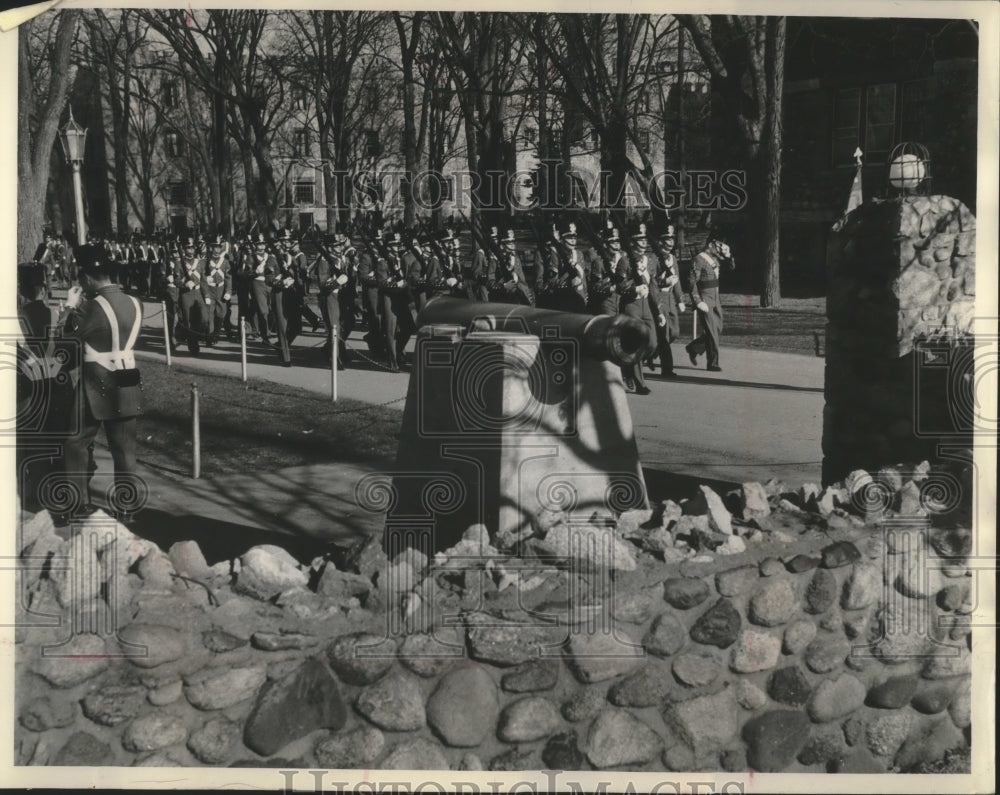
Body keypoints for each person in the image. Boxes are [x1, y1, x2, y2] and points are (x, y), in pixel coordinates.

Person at [56, 244, 143, 523]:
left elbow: (64, 343)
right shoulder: (135, 302)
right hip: (128, 376)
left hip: (98, 380)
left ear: (87, 277)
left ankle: (77, 504)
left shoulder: (93, 307)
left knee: (75, 442)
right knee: (124, 447)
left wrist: (68, 308)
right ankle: (127, 507)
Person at [615, 223, 664, 395]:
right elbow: (619, 286)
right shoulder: (625, 260)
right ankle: (640, 383)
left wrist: (658, 311)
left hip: (647, 306)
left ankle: (627, 367)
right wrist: (633, 288)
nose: (643, 242)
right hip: (631, 305)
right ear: (633, 241)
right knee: (637, 343)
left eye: (645, 239)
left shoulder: (650, 260)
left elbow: (654, 286)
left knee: (652, 343)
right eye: (639, 239)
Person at [686, 236, 734, 372]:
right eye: (719, 245)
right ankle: (713, 363)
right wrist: (697, 301)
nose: (720, 249)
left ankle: (694, 347)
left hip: (716, 297)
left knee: (718, 328)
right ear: (711, 244)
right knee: (712, 332)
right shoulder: (699, 259)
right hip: (705, 297)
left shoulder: (716, 258)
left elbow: (731, 269)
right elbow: (691, 282)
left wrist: (728, 255)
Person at [651, 223, 686, 378]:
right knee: (664, 335)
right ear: (660, 241)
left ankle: (652, 354)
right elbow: (650, 282)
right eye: (666, 240)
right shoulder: (653, 258)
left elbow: (677, 279)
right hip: (659, 298)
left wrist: (680, 299)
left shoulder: (672, 258)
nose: (670, 243)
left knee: (675, 332)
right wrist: (664, 282)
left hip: (670, 298)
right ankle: (667, 369)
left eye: (671, 239)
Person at [172, 236, 210, 355]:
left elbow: (203, 280)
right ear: (184, 249)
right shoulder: (178, 263)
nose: (191, 250)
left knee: (204, 318)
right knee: (188, 321)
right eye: (188, 248)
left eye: (192, 248)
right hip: (186, 295)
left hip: (198, 293)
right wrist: (184, 283)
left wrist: (207, 295)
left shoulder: (199, 263)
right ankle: (193, 346)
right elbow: (176, 281)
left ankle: (186, 335)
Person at [203, 235, 234, 344]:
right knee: (209, 314)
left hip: (221, 289)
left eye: (218, 247)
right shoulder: (205, 261)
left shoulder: (225, 262)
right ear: (211, 248)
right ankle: (210, 337)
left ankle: (216, 333)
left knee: (221, 313)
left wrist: (228, 291)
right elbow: (203, 280)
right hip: (210, 289)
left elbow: (228, 278)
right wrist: (206, 294)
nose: (216, 250)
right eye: (214, 247)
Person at [589, 220, 623, 316]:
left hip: (622, 302)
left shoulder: (623, 260)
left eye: (618, 242)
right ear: (605, 245)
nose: (617, 245)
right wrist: (610, 288)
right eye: (613, 242)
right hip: (606, 303)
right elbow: (595, 287)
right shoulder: (599, 262)